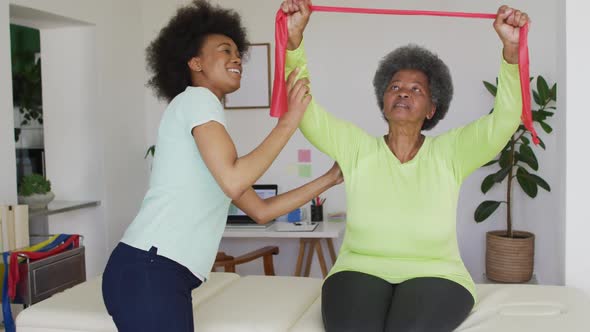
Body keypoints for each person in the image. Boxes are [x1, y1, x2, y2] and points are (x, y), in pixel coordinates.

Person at [281, 1, 529, 331]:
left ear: (431, 108)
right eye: (395, 86)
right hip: (359, 268)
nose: (403, 93)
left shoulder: (451, 152)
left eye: (416, 89)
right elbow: (305, 112)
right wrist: (294, 41)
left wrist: (511, 51)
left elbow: (505, 120)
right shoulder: (356, 147)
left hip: (437, 272)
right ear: (383, 100)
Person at [101, 1, 343, 331]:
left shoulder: (205, 127)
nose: (236, 58)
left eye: (236, 52)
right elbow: (233, 181)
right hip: (151, 269)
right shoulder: (198, 100)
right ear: (195, 62)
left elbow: (261, 210)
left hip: (152, 271)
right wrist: (289, 121)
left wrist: (329, 179)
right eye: (224, 50)